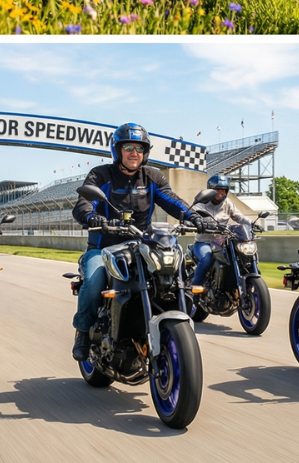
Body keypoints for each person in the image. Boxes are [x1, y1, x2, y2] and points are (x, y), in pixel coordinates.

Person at [70, 123, 203, 361]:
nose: (134, 153)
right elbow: (84, 202)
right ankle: (82, 331)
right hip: (104, 248)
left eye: (139, 148)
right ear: (117, 150)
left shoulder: (152, 176)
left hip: (142, 246)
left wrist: (193, 215)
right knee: (94, 278)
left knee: (179, 268)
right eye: (128, 147)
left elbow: (171, 200)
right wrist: (92, 216)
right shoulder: (101, 174)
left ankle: (177, 325)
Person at [188, 174, 248, 291]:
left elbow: (239, 216)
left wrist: (252, 223)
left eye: (224, 190)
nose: (221, 192)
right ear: (210, 190)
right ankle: (194, 291)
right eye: (217, 189)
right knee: (207, 258)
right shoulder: (201, 203)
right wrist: (196, 223)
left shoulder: (228, 203)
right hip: (204, 242)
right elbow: (192, 216)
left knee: (241, 255)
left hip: (222, 243)